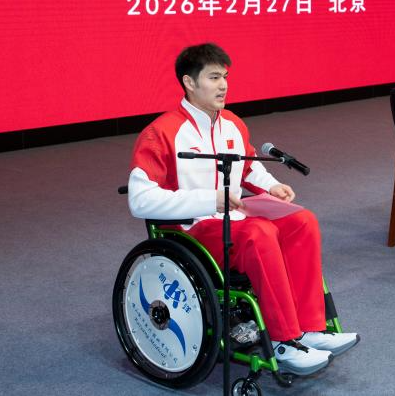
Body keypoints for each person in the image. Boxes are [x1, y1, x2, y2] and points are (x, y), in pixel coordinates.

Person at [126, 43, 358, 376]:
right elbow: (140, 199)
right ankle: (283, 339)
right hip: (192, 227)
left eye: (225, 77)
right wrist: (210, 200)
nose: (223, 85)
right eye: (214, 77)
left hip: (233, 217)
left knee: (302, 220)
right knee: (259, 232)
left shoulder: (232, 123)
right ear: (189, 82)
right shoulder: (161, 132)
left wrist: (272, 186)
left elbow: (248, 166)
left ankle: (309, 328)